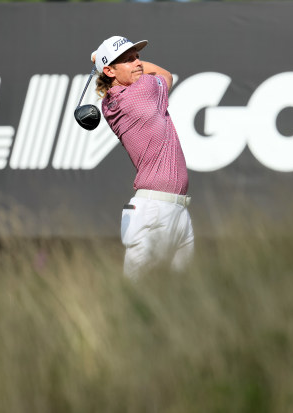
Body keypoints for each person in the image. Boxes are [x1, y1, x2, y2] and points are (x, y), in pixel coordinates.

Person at [91, 36, 194, 278]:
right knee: (139, 293)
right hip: (154, 212)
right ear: (109, 70)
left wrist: (108, 64)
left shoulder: (112, 100)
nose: (138, 63)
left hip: (176, 211)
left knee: (184, 298)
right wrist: (103, 61)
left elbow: (130, 75)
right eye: (129, 60)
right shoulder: (141, 92)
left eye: (137, 57)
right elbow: (166, 74)